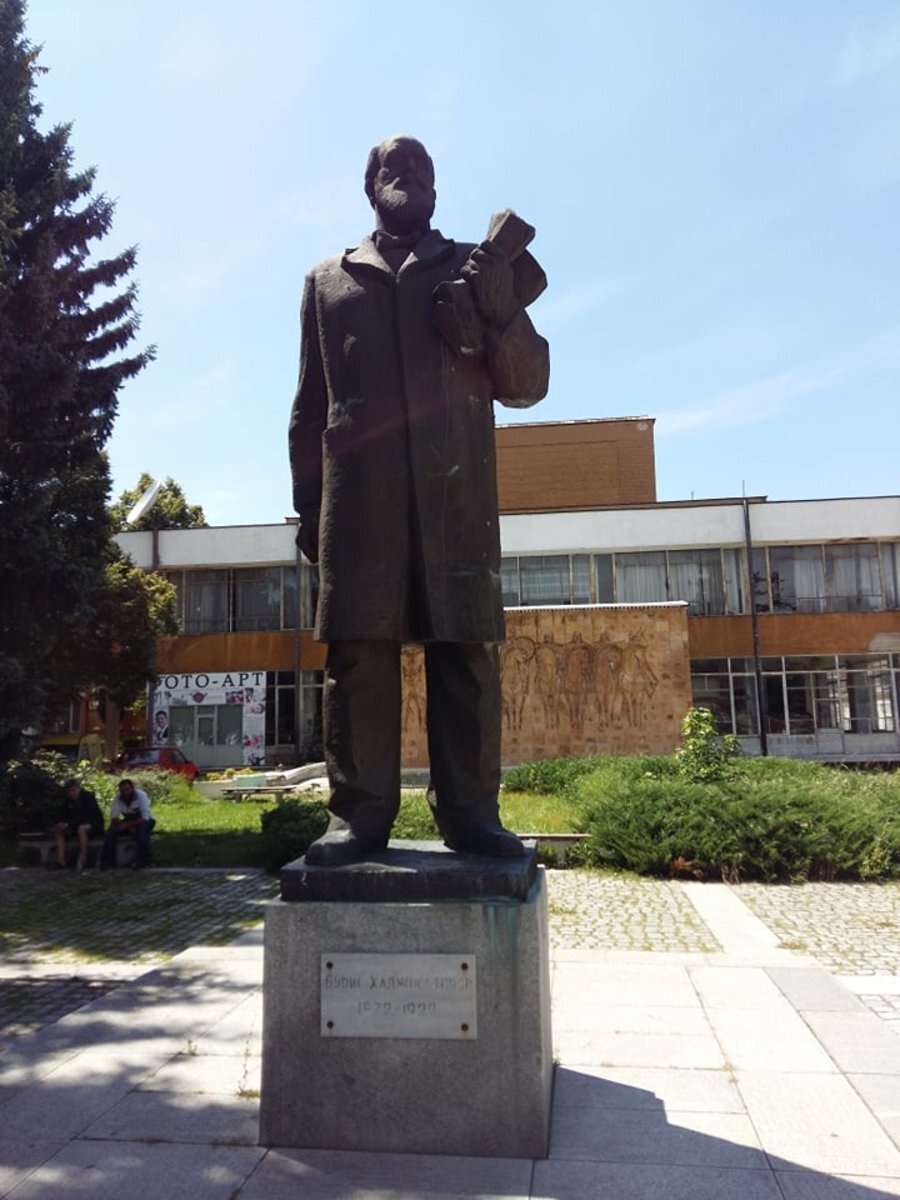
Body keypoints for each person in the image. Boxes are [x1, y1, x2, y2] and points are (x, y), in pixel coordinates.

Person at [289, 135, 549, 866]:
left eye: (421, 168)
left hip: (456, 496)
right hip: (360, 503)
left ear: (436, 189)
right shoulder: (327, 281)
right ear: (369, 186)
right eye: (391, 168)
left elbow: (528, 385)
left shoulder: (476, 266)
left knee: (465, 655)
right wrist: (310, 509)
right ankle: (357, 818)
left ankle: (472, 815)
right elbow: (310, 406)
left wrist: (498, 309)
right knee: (358, 658)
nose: (406, 176)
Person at [100, 778, 155, 869]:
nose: (125, 793)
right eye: (122, 790)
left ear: (132, 788)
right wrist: (125, 825)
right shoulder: (118, 797)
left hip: (144, 821)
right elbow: (114, 817)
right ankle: (107, 861)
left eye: (127, 789)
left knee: (143, 833)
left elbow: (145, 818)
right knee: (111, 831)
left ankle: (142, 861)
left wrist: (128, 825)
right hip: (128, 820)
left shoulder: (141, 796)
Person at [52, 778, 104, 870]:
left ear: (78, 788)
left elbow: (88, 817)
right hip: (74, 826)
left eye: (73, 790)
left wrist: (69, 824)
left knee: (81, 828)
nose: (72, 793)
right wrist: (62, 823)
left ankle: (83, 858)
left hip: (93, 825)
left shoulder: (88, 797)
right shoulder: (67, 800)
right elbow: (63, 814)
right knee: (59, 830)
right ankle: (61, 861)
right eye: (69, 791)